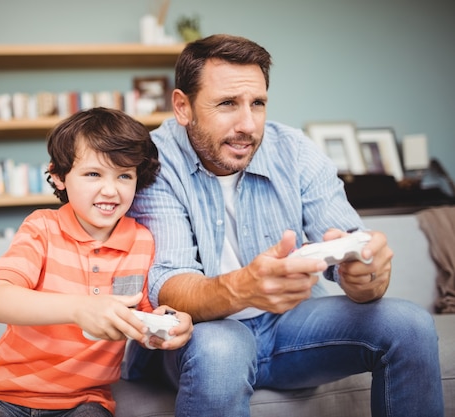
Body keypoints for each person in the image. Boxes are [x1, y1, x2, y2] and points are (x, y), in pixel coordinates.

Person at [127, 34, 444, 416]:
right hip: (202, 332)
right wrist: (244, 288)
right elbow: (169, 288)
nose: (248, 124)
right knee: (221, 350)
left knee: (409, 324)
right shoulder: (152, 163)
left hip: (290, 326)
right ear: (183, 106)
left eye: (257, 103)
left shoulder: (295, 150)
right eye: (227, 103)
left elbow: (350, 251)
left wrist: (366, 276)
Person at [0, 107, 193, 417]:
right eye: (93, 174)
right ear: (58, 176)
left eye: (124, 175)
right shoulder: (42, 227)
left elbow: (141, 318)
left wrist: (167, 322)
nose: (110, 190)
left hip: (85, 400)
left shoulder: (142, 240)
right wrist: (79, 309)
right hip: (3, 394)